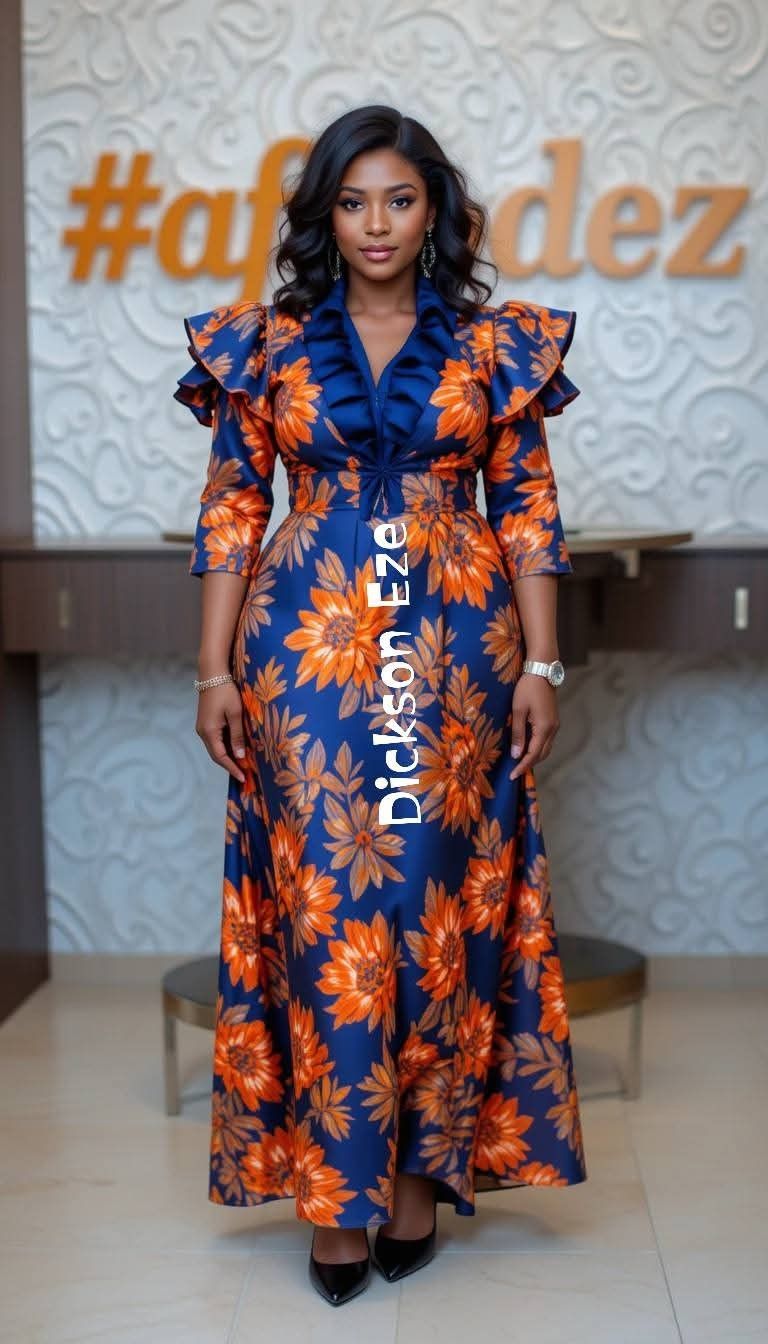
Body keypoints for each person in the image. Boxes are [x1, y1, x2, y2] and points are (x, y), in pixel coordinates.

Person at [173, 104, 587, 1308]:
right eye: (352, 202)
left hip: (455, 651)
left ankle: (414, 1179)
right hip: (306, 650)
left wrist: (544, 665)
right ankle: (334, 1196)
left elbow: (528, 511)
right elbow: (233, 511)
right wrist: (212, 673)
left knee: (435, 908)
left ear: (434, 212)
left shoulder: (493, 344)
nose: (376, 224)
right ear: (324, 215)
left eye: (399, 200)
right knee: (329, 913)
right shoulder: (267, 345)